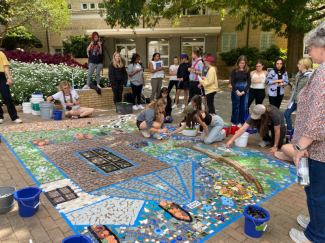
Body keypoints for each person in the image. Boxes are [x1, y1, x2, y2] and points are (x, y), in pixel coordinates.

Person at [289, 22, 325, 243]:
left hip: (316, 148)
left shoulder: (322, 73)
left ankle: (316, 235)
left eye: (310, 47)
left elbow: (318, 116)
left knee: (316, 192)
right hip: (315, 146)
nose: (308, 51)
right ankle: (316, 222)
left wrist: (302, 147)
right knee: (315, 190)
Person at [284, 58, 313, 134]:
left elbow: (312, 90)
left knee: (299, 119)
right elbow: (295, 89)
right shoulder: (299, 74)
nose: (297, 65)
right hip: (294, 100)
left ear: (305, 65)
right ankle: (289, 130)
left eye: (299, 64)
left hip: (303, 101)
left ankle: (299, 134)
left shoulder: (310, 75)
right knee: (286, 114)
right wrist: (290, 101)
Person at [0, 51, 22, 124]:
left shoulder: (1, 54)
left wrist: (9, 78)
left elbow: (5, 67)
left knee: (7, 97)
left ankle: (14, 117)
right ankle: (0, 117)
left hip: (1, 78)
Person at [230, 55, 251, 127]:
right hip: (236, 89)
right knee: (236, 106)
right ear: (238, 62)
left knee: (244, 106)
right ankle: (235, 121)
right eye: (241, 63)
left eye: (243, 63)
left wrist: (244, 91)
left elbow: (249, 82)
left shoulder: (247, 71)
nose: (242, 64)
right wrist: (237, 91)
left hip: (244, 89)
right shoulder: (234, 71)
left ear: (245, 63)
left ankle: (242, 122)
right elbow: (232, 82)